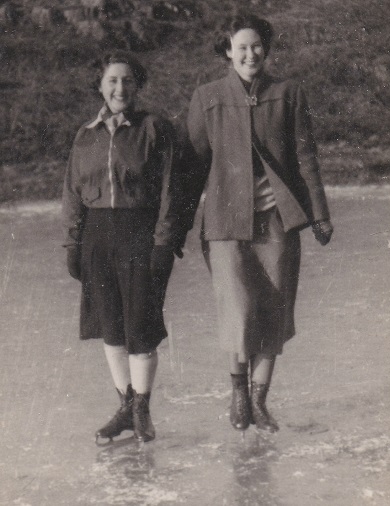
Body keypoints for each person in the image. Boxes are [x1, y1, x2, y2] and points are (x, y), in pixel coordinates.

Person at [184, 14, 334, 433]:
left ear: (266, 49)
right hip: (226, 225)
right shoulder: (207, 97)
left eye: (257, 46)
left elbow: (307, 157)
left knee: (273, 309)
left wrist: (320, 214)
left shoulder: (289, 93)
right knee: (238, 311)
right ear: (228, 50)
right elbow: (191, 169)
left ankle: (259, 400)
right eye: (242, 46)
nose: (251, 54)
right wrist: (174, 229)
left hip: (277, 222)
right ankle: (237, 393)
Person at [62, 49, 184, 444]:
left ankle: (142, 409)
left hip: (139, 235)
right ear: (100, 85)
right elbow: (72, 192)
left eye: (128, 80)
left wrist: (164, 243)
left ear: (138, 85)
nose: (120, 88)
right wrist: (72, 242)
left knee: (141, 328)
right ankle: (125, 407)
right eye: (112, 80)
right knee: (111, 328)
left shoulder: (155, 129)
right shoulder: (85, 135)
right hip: (97, 237)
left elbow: (171, 190)